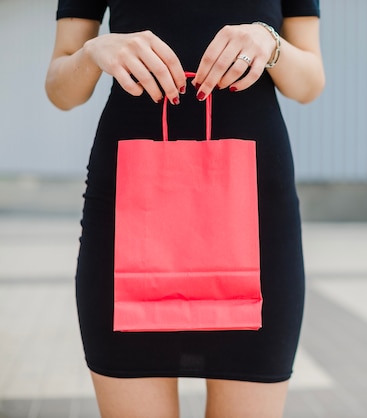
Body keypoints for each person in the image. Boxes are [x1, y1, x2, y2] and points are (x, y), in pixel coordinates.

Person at [45, 0, 324, 416]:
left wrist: (270, 43)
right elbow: (60, 89)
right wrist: (94, 52)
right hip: (129, 212)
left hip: (254, 211)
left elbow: (309, 83)